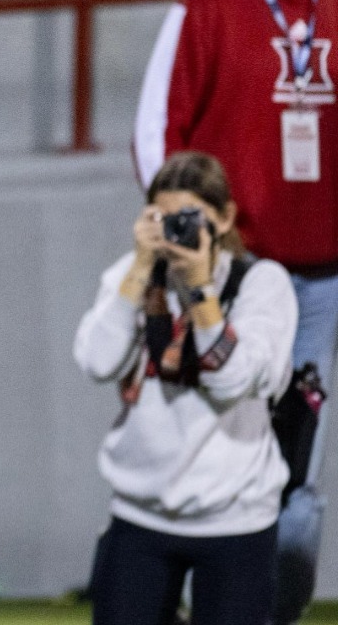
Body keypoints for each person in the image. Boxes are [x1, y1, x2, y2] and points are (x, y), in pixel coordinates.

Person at [133, 0, 338, 625]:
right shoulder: (203, 9)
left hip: (321, 279)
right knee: (208, 453)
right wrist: (195, 243)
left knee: (295, 468)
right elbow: (155, 133)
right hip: (229, 280)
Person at [75, 151, 298, 625]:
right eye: (162, 218)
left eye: (190, 218)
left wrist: (199, 290)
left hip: (236, 515)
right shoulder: (133, 276)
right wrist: (139, 269)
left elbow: (230, 382)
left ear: (225, 218)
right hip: (141, 511)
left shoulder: (261, 285)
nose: (177, 231)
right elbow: (97, 362)